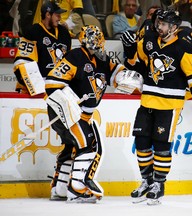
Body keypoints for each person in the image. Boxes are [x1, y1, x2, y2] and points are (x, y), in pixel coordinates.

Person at [125, 10, 192, 205]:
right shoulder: (149, 40)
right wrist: (129, 48)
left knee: (162, 146)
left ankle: (158, 184)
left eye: (163, 24)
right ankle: (146, 181)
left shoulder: (184, 47)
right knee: (141, 142)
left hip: (169, 105)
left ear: (173, 27)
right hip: (147, 102)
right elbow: (135, 63)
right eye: (158, 23)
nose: (158, 27)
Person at [45, 25, 132, 203]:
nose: (99, 47)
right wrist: (70, 104)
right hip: (67, 113)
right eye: (96, 44)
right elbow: (52, 83)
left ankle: (60, 188)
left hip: (81, 116)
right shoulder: (75, 57)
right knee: (87, 146)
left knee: (71, 148)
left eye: (100, 44)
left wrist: (126, 77)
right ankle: (77, 189)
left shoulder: (102, 60)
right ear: (86, 43)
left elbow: (118, 73)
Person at [13, 0, 71, 95]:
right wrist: (38, 88)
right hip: (36, 89)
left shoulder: (64, 33)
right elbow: (22, 62)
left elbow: (69, 62)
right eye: (57, 15)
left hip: (57, 87)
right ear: (48, 15)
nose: (60, 18)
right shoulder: (33, 32)